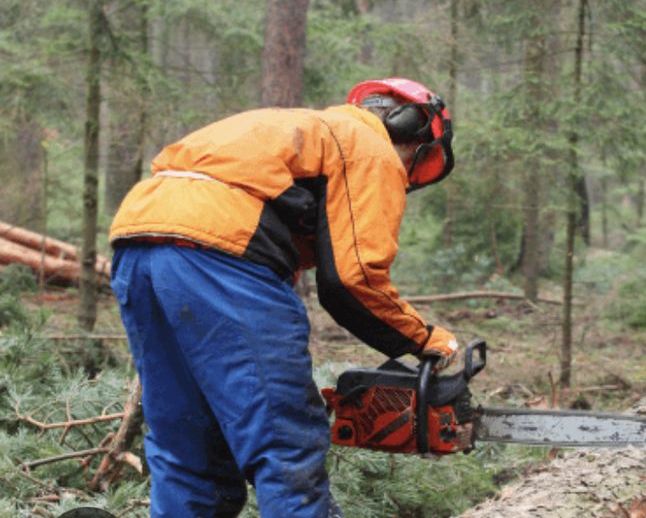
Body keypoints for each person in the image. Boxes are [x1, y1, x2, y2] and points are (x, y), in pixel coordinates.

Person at [108, 78, 459, 517]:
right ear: (414, 132)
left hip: (137, 240)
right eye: (414, 161)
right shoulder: (368, 144)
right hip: (220, 258)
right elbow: (354, 279)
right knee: (283, 436)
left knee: (186, 441)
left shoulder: (297, 130)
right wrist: (426, 340)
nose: (404, 171)